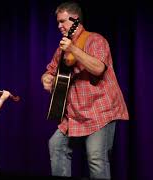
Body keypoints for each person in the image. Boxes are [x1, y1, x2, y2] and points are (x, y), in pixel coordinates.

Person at [41, 1, 129, 179]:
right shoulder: (62, 48)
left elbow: (98, 68)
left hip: (99, 110)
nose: (59, 26)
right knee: (56, 145)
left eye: (63, 21)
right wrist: (46, 79)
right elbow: (49, 70)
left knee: (96, 157)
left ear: (76, 20)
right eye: (58, 22)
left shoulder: (95, 40)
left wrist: (73, 48)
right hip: (75, 113)